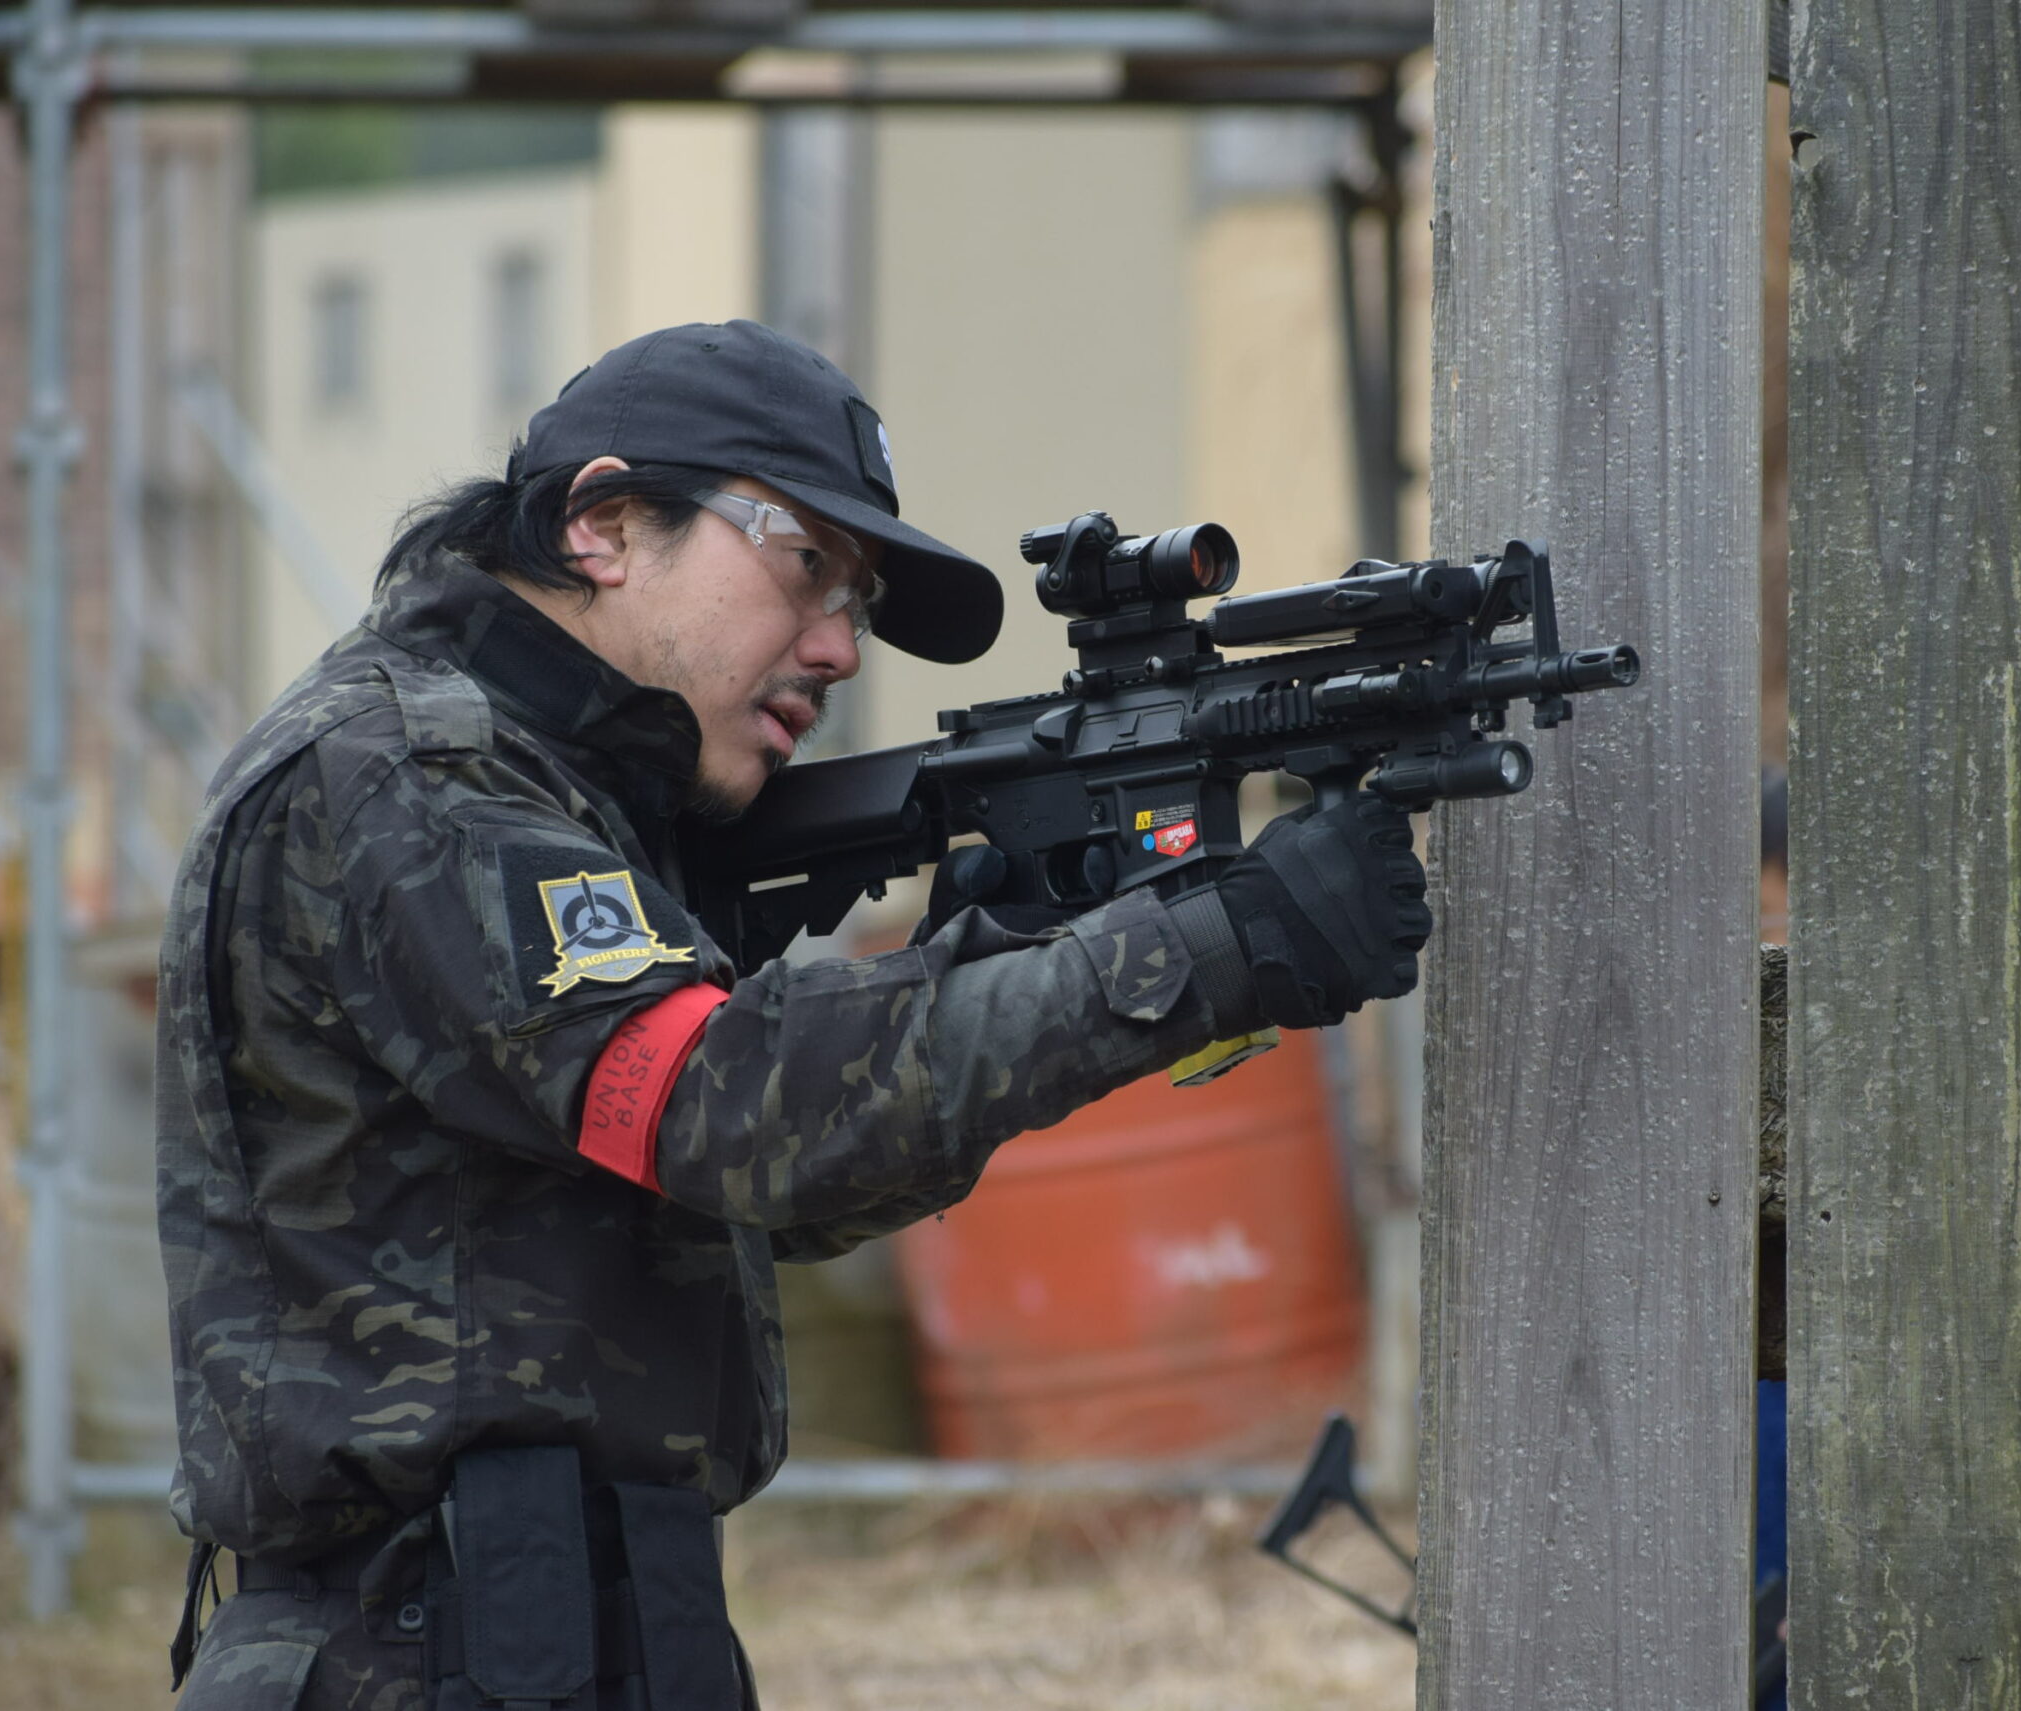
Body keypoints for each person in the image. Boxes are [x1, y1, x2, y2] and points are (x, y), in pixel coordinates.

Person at [158, 320, 1432, 1710]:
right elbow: (726, 1113)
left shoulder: (571, 801)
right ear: (604, 525)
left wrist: (1019, 967)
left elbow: (770, 1198)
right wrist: (1206, 948)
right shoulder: (409, 774)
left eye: (858, 599)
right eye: (805, 564)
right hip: (422, 1650)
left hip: (569, 1634)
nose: (839, 648)